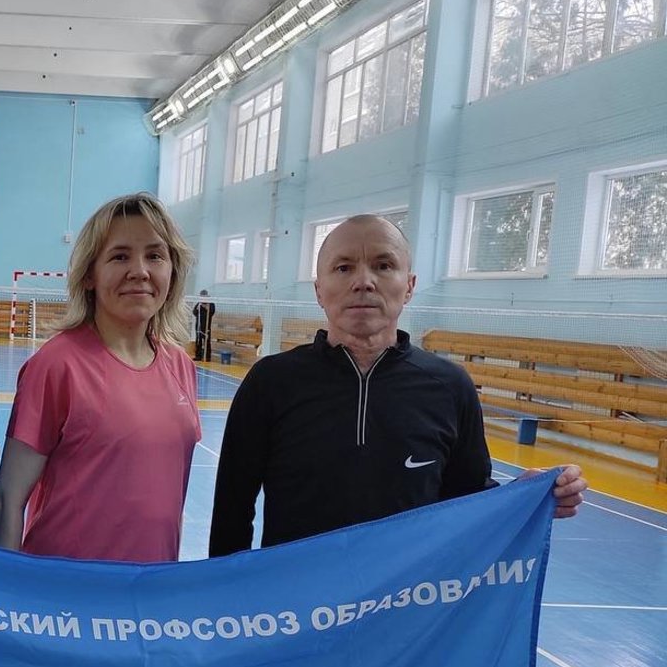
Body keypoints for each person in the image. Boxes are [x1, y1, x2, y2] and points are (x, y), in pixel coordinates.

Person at [208, 214, 586, 557]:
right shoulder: (271, 382)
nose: (363, 282)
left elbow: (468, 502)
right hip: (299, 603)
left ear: (409, 285)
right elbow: (232, 511)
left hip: (407, 604)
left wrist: (524, 495)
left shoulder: (450, 387)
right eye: (343, 267)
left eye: (383, 265)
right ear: (319, 289)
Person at [0, 193, 199, 562]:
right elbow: (9, 498)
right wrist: (6, 587)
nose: (139, 271)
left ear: (172, 270)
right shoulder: (56, 365)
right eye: (120, 256)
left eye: (155, 256)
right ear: (90, 274)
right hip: (66, 589)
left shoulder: (181, 366)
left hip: (149, 587)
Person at [192, 289, 216, 362]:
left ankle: (208, 357)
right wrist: (197, 309)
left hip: (206, 326)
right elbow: (194, 312)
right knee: (198, 341)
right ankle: (198, 356)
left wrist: (205, 307)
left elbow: (212, 312)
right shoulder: (199, 303)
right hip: (198, 326)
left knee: (207, 341)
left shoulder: (211, 304)